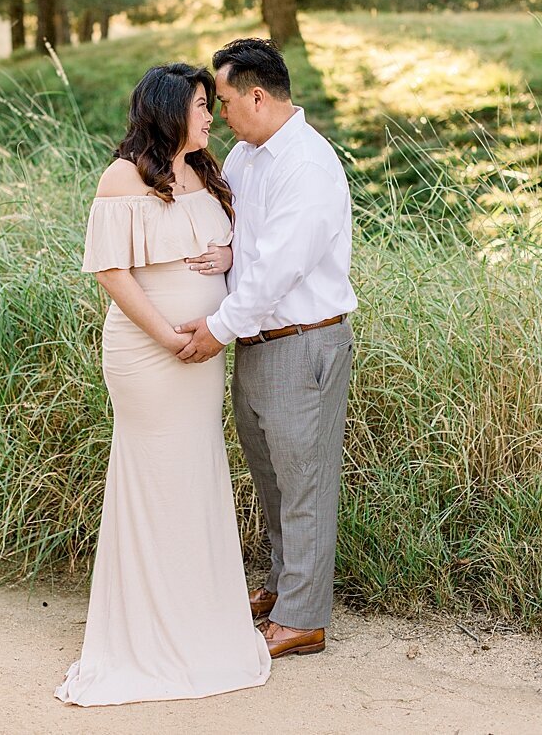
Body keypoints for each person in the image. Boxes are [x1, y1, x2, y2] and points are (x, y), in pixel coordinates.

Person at [56, 63, 271, 707]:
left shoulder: (208, 171)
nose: (212, 116)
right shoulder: (124, 177)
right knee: (154, 475)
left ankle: (198, 617)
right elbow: (112, 272)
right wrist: (166, 335)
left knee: (196, 473)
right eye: (203, 105)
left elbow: (234, 243)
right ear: (171, 109)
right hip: (147, 356)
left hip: (202, 353)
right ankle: (146, 630)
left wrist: (229, 259)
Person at [174, 37, 357, 660]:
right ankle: (283, 588)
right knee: (273, 479)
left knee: (303, 481)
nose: (218, 113)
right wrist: (227, 257)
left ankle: (304, 618)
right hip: (259, 340)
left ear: (257, 94)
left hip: (303, 343)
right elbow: (252, 242)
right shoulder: (251, 157)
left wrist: (217, 329)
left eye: (223, 100)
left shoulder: (304, 163)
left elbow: (280, 268)